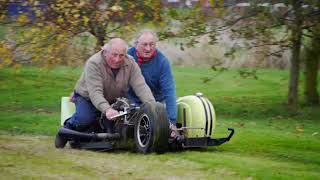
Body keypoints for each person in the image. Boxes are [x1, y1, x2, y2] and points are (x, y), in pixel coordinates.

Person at [64, 38, 155, 132]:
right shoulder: (94, 63)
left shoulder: (130, 63)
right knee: (85, 120)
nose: (117, 59)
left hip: (114, 100)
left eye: (121, 55)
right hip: (87, 98)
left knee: (128, 121)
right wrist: (107, 109)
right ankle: (66, 128)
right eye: (114, 55)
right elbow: (95, 92)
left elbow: (141, 87)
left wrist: (153, 108)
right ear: (106, 52)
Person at [127, 29, 178, 136]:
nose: (148, 48)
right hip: (132, 101)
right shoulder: (127, 57)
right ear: (136, 45)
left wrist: (171, 122)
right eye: (144, 45)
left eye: (151, 44)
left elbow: (169, 92)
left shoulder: (162, 62)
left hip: (156, 102)